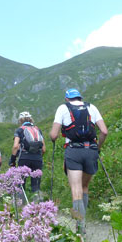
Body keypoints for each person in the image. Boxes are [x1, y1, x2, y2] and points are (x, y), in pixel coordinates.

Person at [50, 88, 108, 234]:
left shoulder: (63, 108)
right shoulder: (91, 107)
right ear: (80, 98)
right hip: (91, 150)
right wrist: (98, 148)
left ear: (67, 99)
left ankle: (80, 228)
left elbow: (54, 135)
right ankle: (83, 222)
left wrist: (53, 137)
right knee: (84, 187)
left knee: (76, 190)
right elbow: (104, 131)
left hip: (73, 151)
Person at [10, 111, 46, 200]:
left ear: (20, 120)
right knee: (36, 185)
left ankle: (21, 205)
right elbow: (44, 149)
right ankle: (38, 205)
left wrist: (12, 160)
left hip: (24, 158)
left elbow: (15, 146)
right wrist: (38, 157)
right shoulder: (38, 130)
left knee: (21, 184)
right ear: (31, 119)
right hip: (37, 158)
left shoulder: (20, 130)